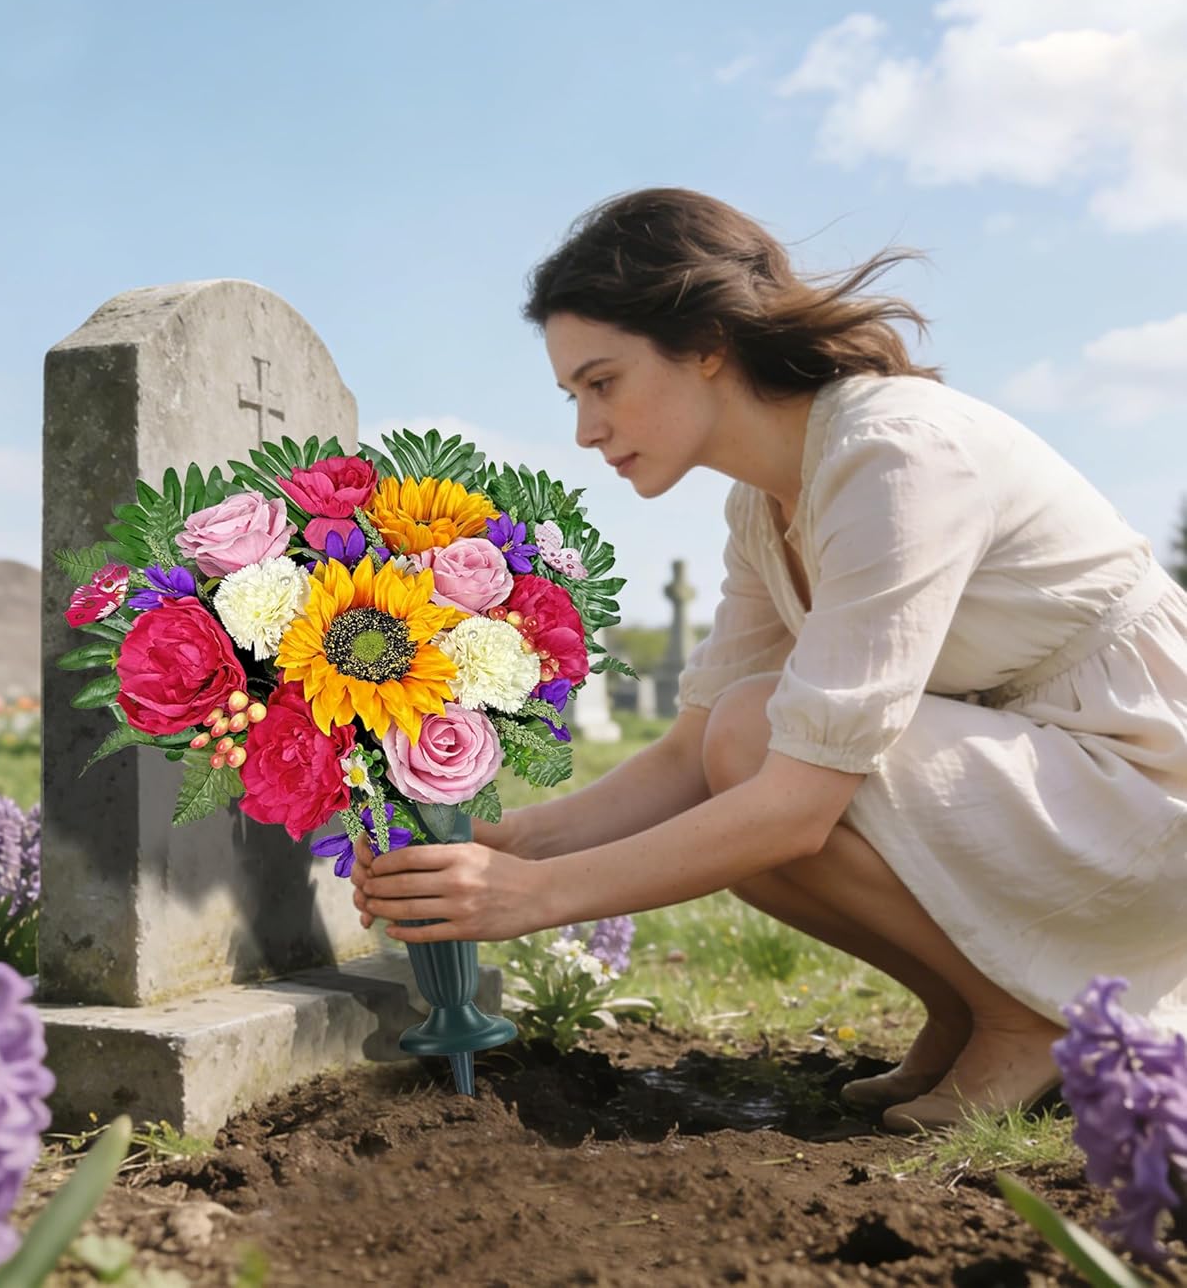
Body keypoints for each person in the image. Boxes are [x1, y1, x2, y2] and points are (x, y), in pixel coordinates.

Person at [350, 187, 1187, 1133]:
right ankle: (965, 1012)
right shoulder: (764, 503)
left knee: (761, 746)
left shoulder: (893, 453)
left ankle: (1026, 1018)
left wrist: (531, 897)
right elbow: (688, 754)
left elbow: (792, 805)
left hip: (1148, 793)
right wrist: (513, 843)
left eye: (603, 382)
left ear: (707, 343)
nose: (585, 428)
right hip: (1047, 781)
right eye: (573, 395)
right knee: (735, 748)